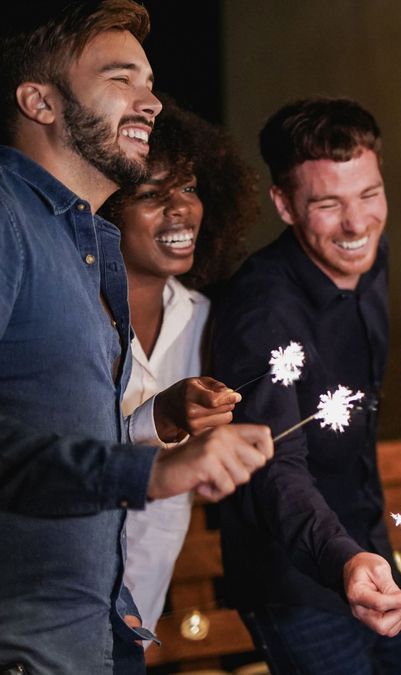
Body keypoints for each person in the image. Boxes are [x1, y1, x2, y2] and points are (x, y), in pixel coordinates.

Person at [0, 2, 273, 673]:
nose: (150, 102)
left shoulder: (84, 243)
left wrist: (160, 421)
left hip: (99, 632)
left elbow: (53, 428)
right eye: (121, 79)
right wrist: (155, 469)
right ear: (40, 101)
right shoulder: (7, 218)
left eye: (149, 82)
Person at [210, 97, 401, 674]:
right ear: (284, 204)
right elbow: (274, 465)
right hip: (295, 580)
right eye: (328, 204)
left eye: (369, 195)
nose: (357, 224)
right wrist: (343, 560)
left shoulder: (369, 255)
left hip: (373, 554)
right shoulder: (260, 313)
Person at [99, 96, 257, 635]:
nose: (180, 209)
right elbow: (49, 463)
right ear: (104, 208)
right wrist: (158, 422)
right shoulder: (70, 318)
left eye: (188, 188)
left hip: (142, 608)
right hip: (55, 604)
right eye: (150, 194)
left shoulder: (206, 321)